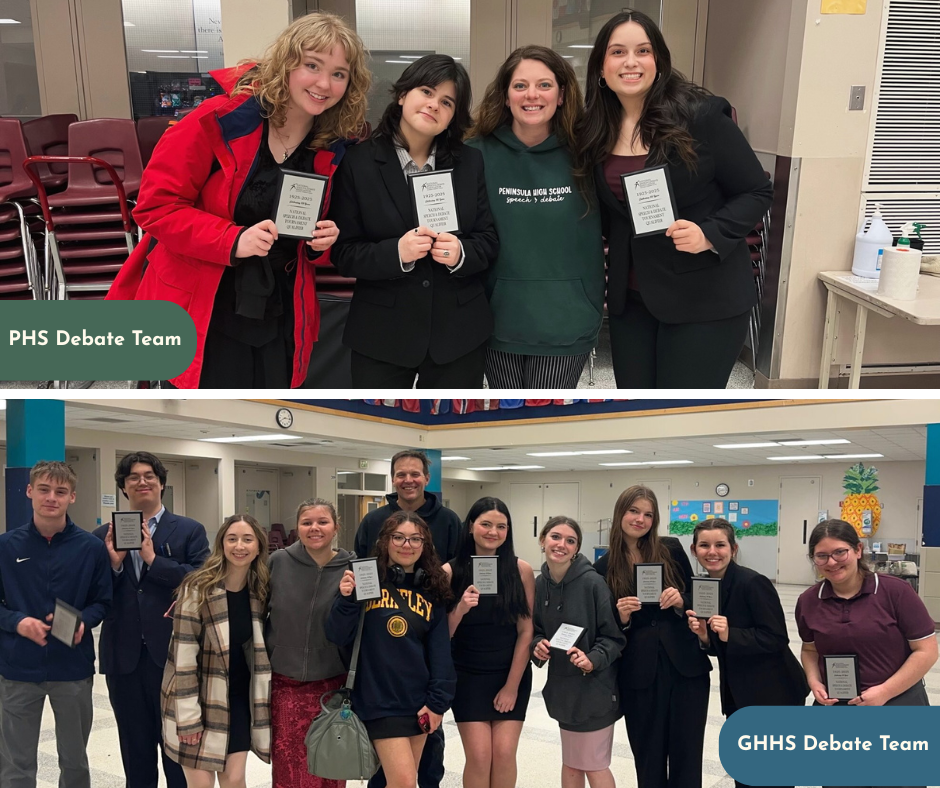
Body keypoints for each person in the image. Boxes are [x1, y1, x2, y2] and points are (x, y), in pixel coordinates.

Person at [107, 14, 371, 388]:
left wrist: (322, 243)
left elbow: (321, 238)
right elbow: (155, 206)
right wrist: (231, 239)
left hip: (281, 311)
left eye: (339, 74)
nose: (324, 83)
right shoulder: (216, 120)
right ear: (287, 64)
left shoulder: (333, 147)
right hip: (206, 305)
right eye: (312, 65)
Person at [573, 10, 773, 389]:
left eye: (642, 50)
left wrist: (710, 233)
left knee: (679, 410)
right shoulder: (593, 129)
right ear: (601, 66)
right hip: (630, 302)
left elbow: (756, 191)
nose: (630, 62)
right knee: (634, 411)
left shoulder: (701, 117)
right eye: (618, 52)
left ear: (658, 61)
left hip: (704, 298)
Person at [330, 54, 499, 387]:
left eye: (447, 102)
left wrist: (462, 253)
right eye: (426, 91)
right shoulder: (358, 163)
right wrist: (397, 253)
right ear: (402, 95)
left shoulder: (470, 163)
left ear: (453, 116)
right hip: (382, 334)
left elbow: (489, 239)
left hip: (459, 336)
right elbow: (344, 252)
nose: (434, 104)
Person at [466, 46, 604, 388]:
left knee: (545, 424)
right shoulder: (474, 154)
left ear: (561, 95)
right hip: (496, 317)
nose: (532, 95)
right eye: (520, 85)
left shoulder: (589, 153)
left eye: (544, 85)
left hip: (567, 319)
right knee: (507, 422)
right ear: (505, 95)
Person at [93, 451, 211, 788]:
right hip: (124, 658)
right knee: (134, 750)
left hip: (173, 657)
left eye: (149, 476)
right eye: (133, 477)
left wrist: (152, 559)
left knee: (177, 750)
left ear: (161, 484)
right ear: (124, 488)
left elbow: (199, 580)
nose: (141, 481)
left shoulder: (189, 531)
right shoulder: (101, 536)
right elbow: (94, 591)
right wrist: (113, 563)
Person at [795, 519, 937, 788]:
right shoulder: (809, 601)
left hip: (898, 706)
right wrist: (813, 681)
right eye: (821, 556)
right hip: (838, 710)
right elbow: (810, 648)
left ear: (858, 550)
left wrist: (884, 692)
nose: (832, 562)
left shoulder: (896, 592)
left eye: (840, 552)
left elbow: (926, 650)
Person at [0, 461, 112, 788]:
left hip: (72, 668)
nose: (52, 498)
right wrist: (17, 622)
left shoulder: (90, 548)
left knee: (75, 761)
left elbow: (103, 601)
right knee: (15, 763)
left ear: (72, 497)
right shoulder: (6, 547)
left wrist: (83, 622)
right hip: (18, 668)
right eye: (45, 490)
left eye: (61, 492)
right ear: (29, 491)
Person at [326, 511, 456, 788]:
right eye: (398, 537)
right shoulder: (366, 580)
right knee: (404, 782)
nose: (406, 545)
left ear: (425, 545)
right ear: (385, 541)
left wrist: (437, 703)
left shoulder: (431, 590)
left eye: (414, 539)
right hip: (378, 700)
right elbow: (336, 634)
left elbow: (440, 651)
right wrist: (347, 599)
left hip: (419, 702)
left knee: (400, 781)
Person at [593, 485, 710, 788]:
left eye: (648, 514)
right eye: (634, 511)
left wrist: (681, 599)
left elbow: (698, 596)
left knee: (687, 753)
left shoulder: (670, 548)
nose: (640, 519)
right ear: (621, 512)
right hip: (639, 671)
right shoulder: (604, 566)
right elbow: (602, 627)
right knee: (648, 753)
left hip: (685, 666)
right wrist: (621, 617)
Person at [686, 518, 808, 788]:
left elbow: (776, 637)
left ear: (734, 548)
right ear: (694, 550)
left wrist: (732, 633)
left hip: (774, 694)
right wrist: (705, 636)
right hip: (739, 694)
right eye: (704, 545)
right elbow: (721, 648)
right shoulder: (705, 586)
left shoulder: (753, 583)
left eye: (720, 544)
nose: (712, 552)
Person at [161, 515, 272, 788]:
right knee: (201, 784)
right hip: (197, 698)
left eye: (248, 539)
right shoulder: (197, 588)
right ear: (221, 545)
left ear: (258, 547)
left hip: (237, 698)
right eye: (232, 539)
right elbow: (182, 660)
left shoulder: (258, 592)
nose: (239, 546)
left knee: (234, 781)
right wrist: (188, 719)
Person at [443, 498, 535, 788]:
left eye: (501, 526)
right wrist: (460, 608)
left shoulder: (521, 571)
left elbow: (526, 631)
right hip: (468, 676)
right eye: (486, 524)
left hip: (510, 673)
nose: (493, 531)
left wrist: (511, 686)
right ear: (471, 526)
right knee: (480, 756)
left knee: (505, 754)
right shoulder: (449, 572)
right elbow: (442, 636)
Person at [531, 516, 625, 788]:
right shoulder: (540, 585)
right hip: (564, 692)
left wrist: (591, 659)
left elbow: (614, 638)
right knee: (572, 764)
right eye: (556, 537)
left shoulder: (592, 584)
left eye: (570, 541)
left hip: (595, 690)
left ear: (577, 549)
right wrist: (537, 645)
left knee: (594, 765)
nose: (562, 545)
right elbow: (536, 629)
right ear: (542, 541)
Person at [266, 498, 352, 788]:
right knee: (291, 769)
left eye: (322, 522)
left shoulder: (352, 567)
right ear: (298, 527)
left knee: (330, 763)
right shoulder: (278, 562)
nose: (315, 528)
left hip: (332, 682)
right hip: (285, 682)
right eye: (307, 522)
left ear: (336, 527)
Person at [355, 449, 461, 565]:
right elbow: (360, 563)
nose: (408, 480)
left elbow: (459, 564)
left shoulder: (449, 521)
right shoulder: (372, 521)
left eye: (415, 474)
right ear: (393, 480)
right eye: (401, 475)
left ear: (427, 479)